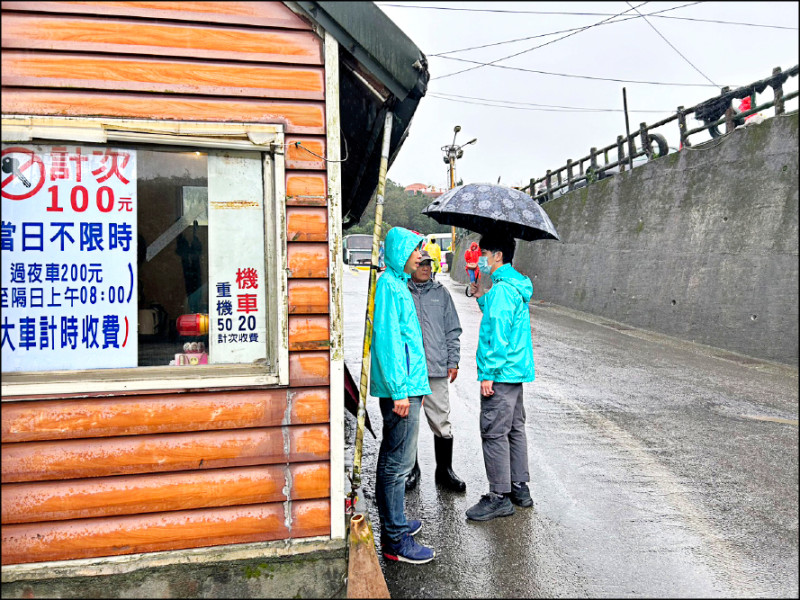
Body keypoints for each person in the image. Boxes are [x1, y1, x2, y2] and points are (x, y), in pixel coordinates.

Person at [371, 226, 436, 564]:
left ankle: (395, 524)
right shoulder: (388, 286)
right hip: (402, 390)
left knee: (397, 461)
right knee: (397, 465)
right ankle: (395, 539)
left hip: (409, 387)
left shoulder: (397, 285)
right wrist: (400, 390)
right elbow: (389, 341)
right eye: (415, 251)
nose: (419, 257)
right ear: (400, 253)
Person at [465, 232, 535, 521]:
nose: (480, 258)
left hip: (501, 372)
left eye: (484, 253)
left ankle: (499, 496)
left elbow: (499, 333)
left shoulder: (504, 290)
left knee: (494, 432)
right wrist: (480, 293)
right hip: (515, 373)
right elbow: (496, 311)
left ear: (497, 256)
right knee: (514, 429)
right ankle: (519, 488)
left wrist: (488, 374)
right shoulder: (510, 286)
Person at [406, 250, 466, 493]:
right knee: (409, 423)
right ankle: (411, 469)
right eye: (420, 264)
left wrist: (454, 361)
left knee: (441, 420)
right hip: (409, 370)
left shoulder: (441, 293)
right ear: (411, 267)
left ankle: (445, 471)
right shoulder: (402, 292)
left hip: (437, 368)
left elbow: (453, 330)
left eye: (428, 264)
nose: (425, 268)